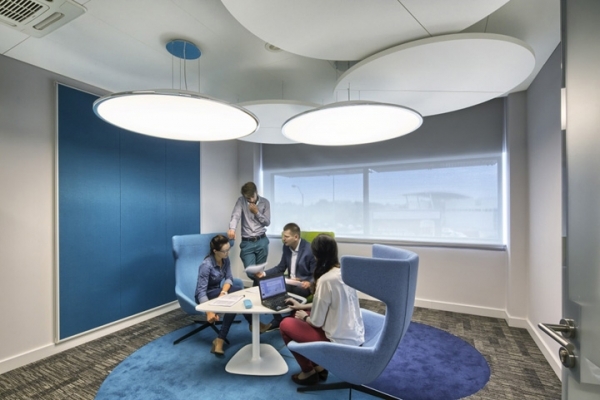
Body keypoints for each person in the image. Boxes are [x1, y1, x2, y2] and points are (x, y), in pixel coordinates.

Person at [279, 234, 365, 386]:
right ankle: (319, 367)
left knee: (285, 324)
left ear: (316, 254)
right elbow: (332, 303)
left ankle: (308, 372)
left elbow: (316, 322)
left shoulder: (326, 280)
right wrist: (302, 307)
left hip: (338, 341)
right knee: (300, 314)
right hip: (353, 334)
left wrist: (304, 317)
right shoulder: (344, 273)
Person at [195, 234, 269, 356]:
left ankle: (220, 340)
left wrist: (223, 292)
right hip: (205, 296)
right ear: (215, 251)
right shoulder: (206, 265)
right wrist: (208, 311)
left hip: (218, 291)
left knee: (236, 295)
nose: (227, 253)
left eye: (228, 249)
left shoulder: (225, 259)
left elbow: (229, 278)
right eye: (224, 251)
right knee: (236, 293)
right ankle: (253, 325)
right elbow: (201, 292)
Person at [255, 222, 316, 331]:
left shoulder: (309, 250)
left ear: (296, 237)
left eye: (286, 236)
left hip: (303, 285)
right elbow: (280, 267)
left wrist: (308, 282)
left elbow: (315, 274)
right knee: (271, 290)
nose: (283, 239)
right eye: (283, 236)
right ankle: (279, 319)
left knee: (292, 292)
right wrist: (263, 273)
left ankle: (291, 319)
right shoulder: (286, 247)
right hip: (289, 281)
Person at [227, 182, 271, 278]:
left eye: (252, 197)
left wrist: (257, 212)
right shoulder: (241, 201)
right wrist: (232, 229)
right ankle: (259, 286)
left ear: (256, 192)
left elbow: (267, 222)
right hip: (247, 242)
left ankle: (258, 288)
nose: (251, 200)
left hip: (262, 241)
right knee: (251, 272)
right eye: (248, 198)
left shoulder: (265, 202)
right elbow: (235, 216)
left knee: (260, 273)